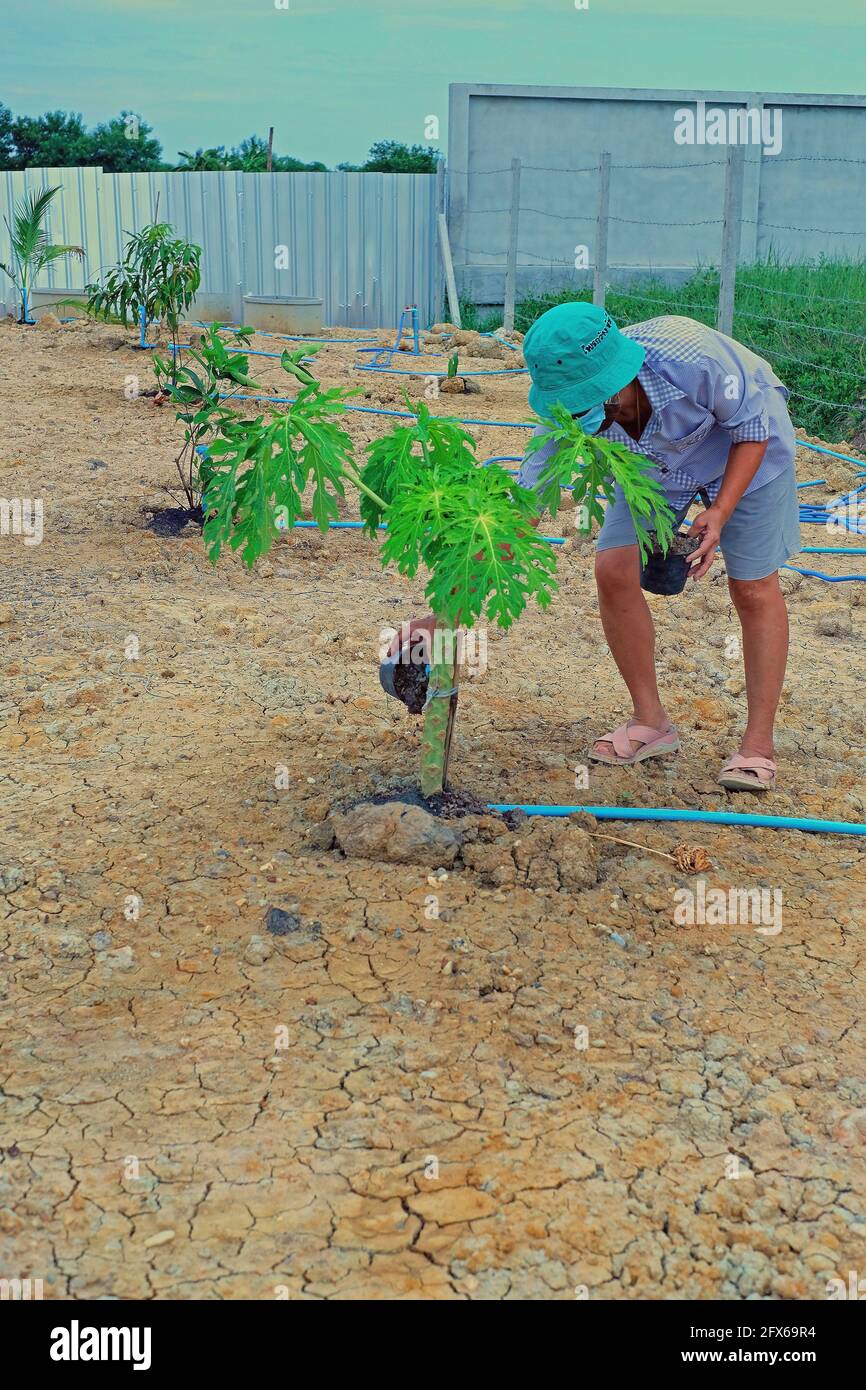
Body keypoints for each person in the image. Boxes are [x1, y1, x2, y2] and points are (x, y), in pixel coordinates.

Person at [390, 303, 801, 792]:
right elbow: (524, 515)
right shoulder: (563, 418)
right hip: (651, 469)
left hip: (746, 451)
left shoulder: (692, 358)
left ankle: (757, 745)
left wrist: (721, 511)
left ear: (623, 373)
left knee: (753, 588)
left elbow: (752, 432)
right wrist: (448, 611)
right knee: (613, 569)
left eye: (599, 404)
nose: (587, 417)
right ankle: (651, 723)